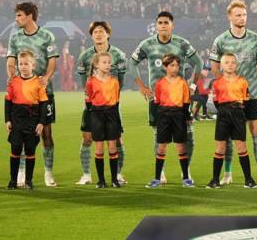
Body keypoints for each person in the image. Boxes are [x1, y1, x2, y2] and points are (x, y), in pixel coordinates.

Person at [130, 11, 203, 183]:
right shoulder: (147, 44)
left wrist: (192, 85)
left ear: (172, 25)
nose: (163, 25)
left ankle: (186, 171)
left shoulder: (181, 43)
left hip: (180, 99)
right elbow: (132, 63)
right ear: (156, 25)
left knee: (188, 135)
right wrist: (141, 86)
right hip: (157, 99)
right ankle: (160, 172)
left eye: (166, 22)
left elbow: (198, 62)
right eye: (160, 22)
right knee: (159, 136)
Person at [210, 0, 257, 185]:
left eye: (244, 15)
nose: (242, 18)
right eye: (238, 15)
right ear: (229, 16)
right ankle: (227, 174)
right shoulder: (221, 40)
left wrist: (248, 83)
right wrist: (228, 85)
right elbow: (215, 67)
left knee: (256, 132)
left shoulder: (256, 39)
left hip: (251, 94)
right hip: (230, 97)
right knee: (228, 136)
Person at [6, 2, 59, 187]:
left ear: (29, 16)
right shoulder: (15, 37)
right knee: (20, 133)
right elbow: (10, 61)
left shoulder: (47, 36)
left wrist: (46, 78)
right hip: (21, 95)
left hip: (43, 93)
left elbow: (52, 61)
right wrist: (12, 78)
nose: (16, 19)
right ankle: (21, 173)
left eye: (19, 15)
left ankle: (48, 173)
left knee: (46, 133)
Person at [76, 21, 129, 185]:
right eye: (95, 32)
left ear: (108, 34)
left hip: (112, 105)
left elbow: (120, 82)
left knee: (117, 140)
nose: (98, 34)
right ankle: (86, 174)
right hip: (93, 105)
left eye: (101, 31)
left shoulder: (118, 54)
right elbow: (85, 84)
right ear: (91, 36)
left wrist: (109, 97)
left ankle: (117, 174)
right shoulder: (84, 56)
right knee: (87, 139)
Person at [205, 53, 257, 189]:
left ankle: (249, 180)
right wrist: (225, 110)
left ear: (236, 65)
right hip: (223, 115)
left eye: (233, 62)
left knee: (241, 147)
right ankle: (215, 180)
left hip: (238, 114)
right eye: (227, 62)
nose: (230, 65)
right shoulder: (217, 83)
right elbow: (216, 102)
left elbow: (246, 101)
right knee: (220, 148)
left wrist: (237, 111)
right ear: (221, 65)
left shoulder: (242, 81)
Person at [146, 54, 193, 188]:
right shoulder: (160, 83)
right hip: (164, 116)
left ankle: (186, 178)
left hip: (178, 115)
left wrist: (187, 117)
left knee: (181, 146)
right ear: (165, 67)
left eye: (177, 65)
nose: (175, 68)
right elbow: (156, 103)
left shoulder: (182, 83)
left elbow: (186, 103)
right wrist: (155, 120)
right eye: (172, 65)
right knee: (161, 147)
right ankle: (157, 178)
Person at [5, 50, 48, 190]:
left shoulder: (39, 83)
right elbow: (8, 102)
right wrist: (7, 120)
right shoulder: (13, 82)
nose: (23, 67)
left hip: (32, 121)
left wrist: (41, 122)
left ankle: (29, 180)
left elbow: (43, 104)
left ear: (33, 65)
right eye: (21, 64)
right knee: (16, 148)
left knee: (30, 150)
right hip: (16, 120)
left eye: (26, 64)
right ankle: (13, 180)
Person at [84, 52, 122, 188]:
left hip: (112, 114)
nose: (107, 65)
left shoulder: (114, 81)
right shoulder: (90, 81)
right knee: (99, 148)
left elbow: (117, 102)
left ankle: (114, 180)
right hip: (97, 115)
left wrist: (118, 122)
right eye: (104, 62)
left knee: (112, 147)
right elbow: (88, 101)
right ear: (96, 64)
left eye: (109, 62)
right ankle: (101, 181)